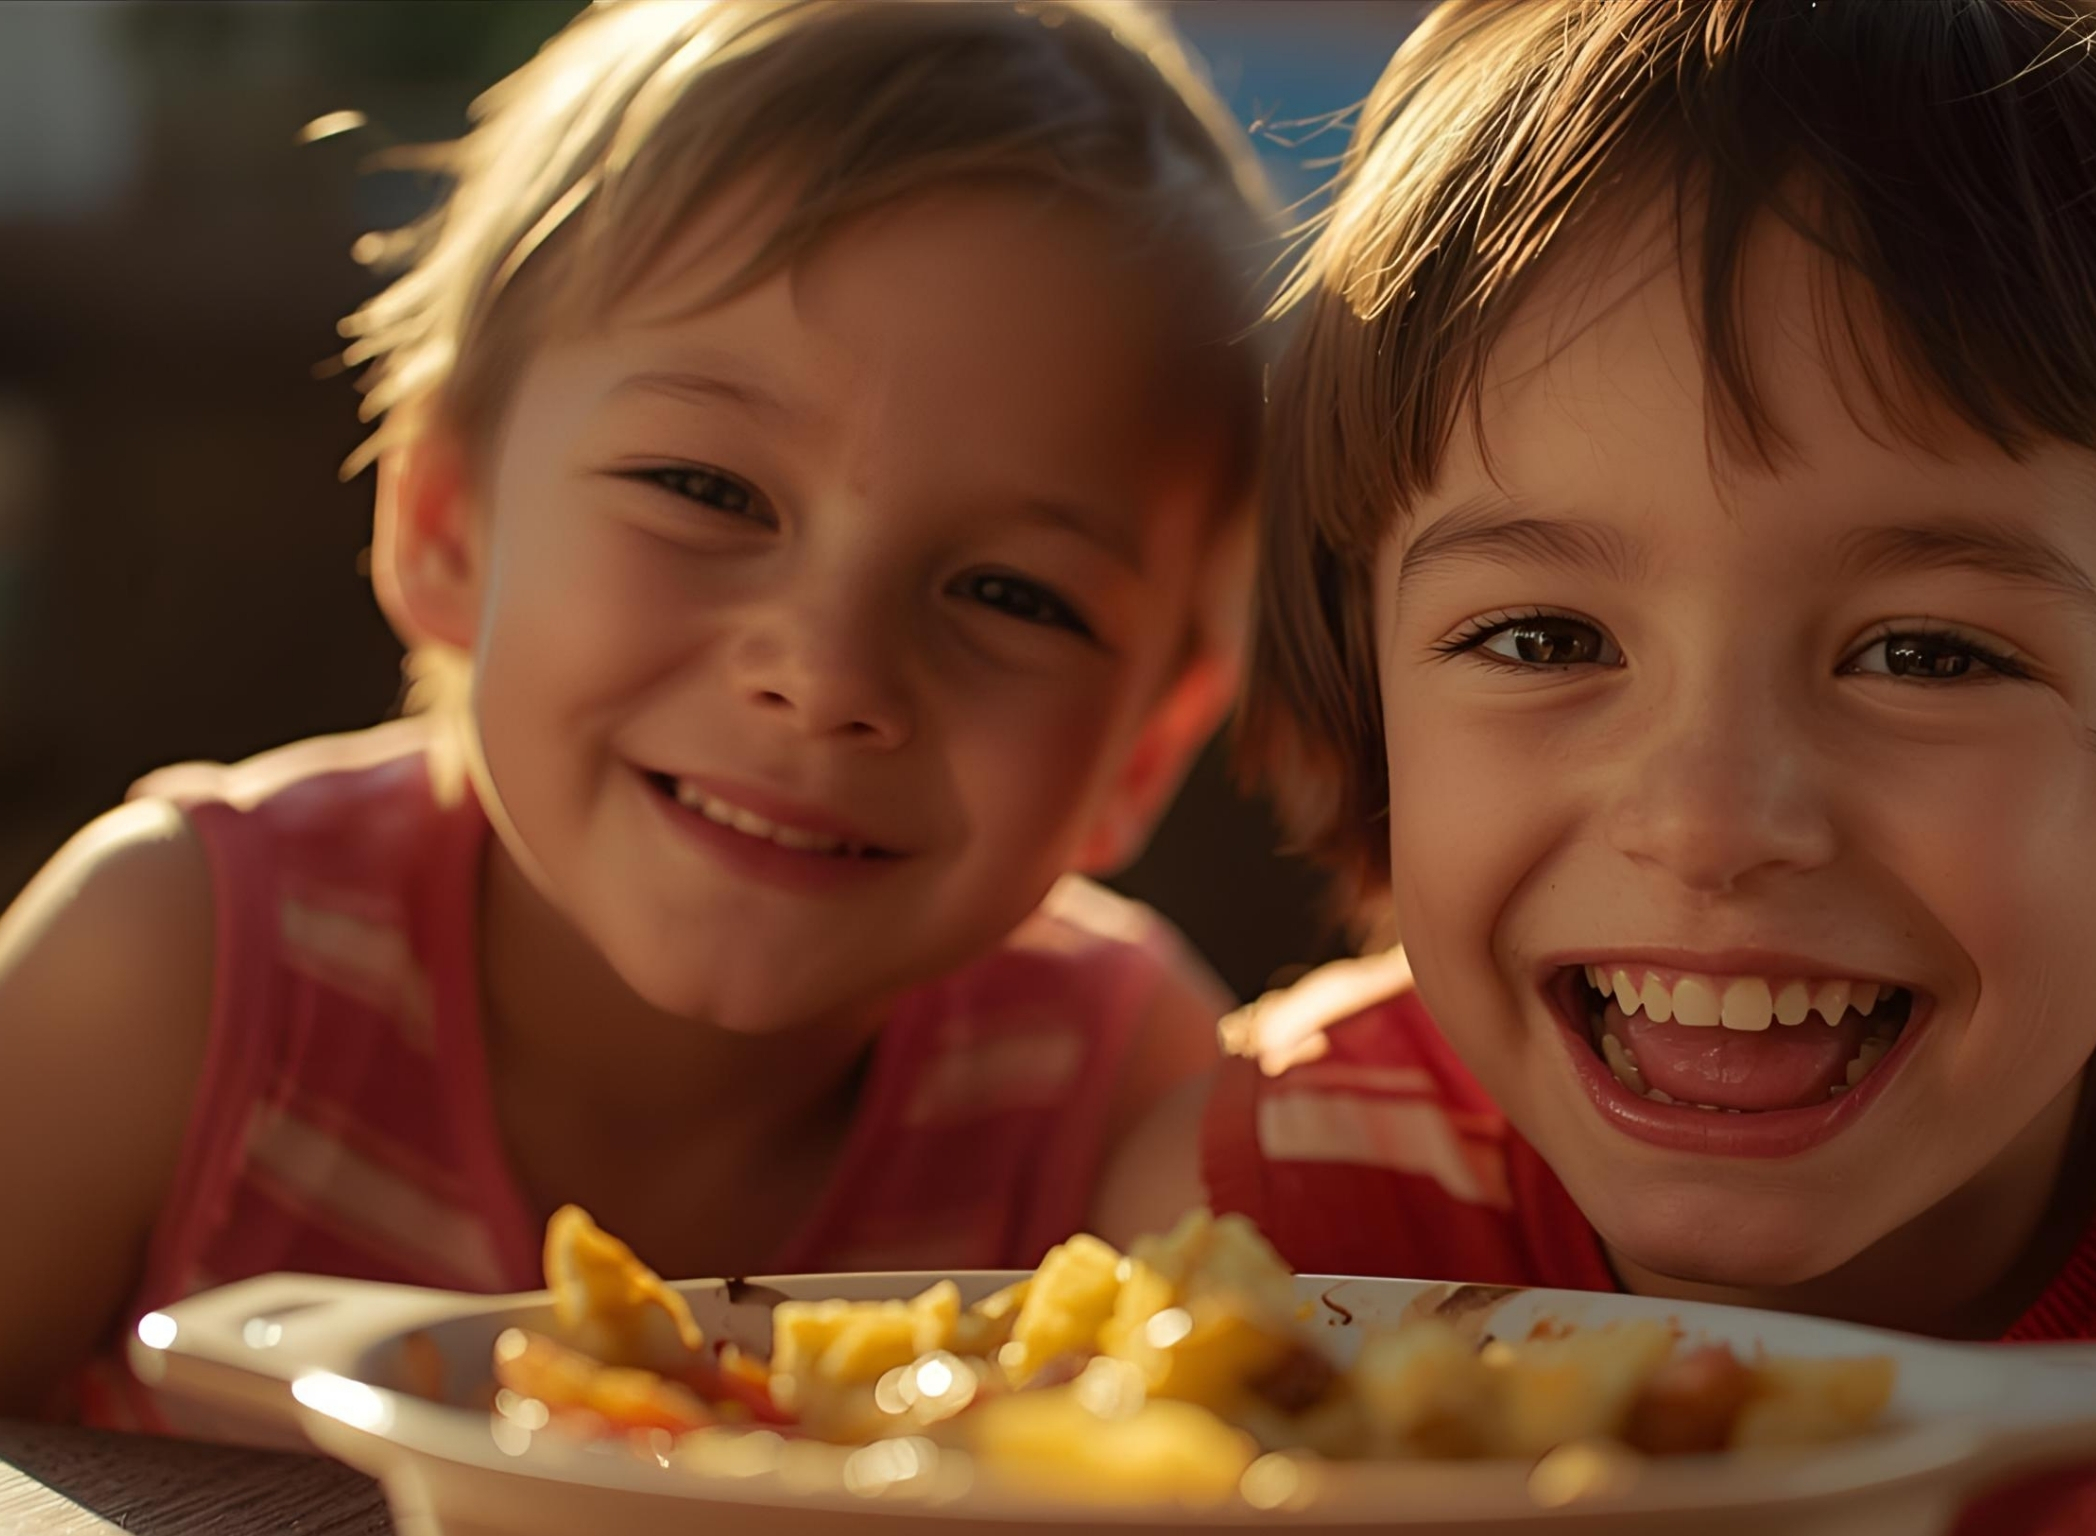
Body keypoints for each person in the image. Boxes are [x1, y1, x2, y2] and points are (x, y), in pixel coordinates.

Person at [1099, 2, 2096, 1529]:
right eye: (1543, 638)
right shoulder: (1255, 1244)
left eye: (1926, 655)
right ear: (1369, 715)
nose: (1710, 822)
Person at [0, 0, 1271, 1429]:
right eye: (707, 491)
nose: (827, 674)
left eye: (1013, 595)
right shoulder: (175, 970)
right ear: (446, 521)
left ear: (1147, 748)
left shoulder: (1128, 1104)